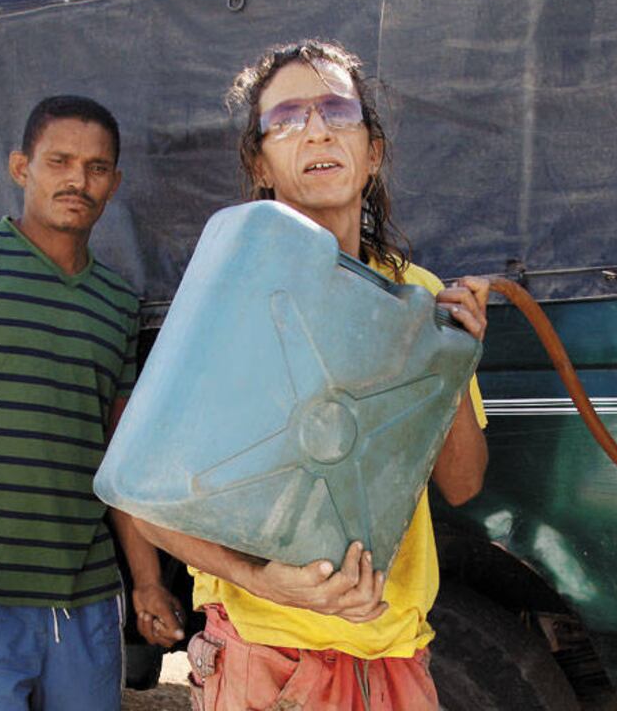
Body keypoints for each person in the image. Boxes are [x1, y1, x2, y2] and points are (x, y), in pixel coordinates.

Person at [129, 41, 490, 710]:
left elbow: (463, 485)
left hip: (395, 655)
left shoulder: (421, 298)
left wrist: (453, 360)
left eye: (337, 111)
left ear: (373, 153)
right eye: (287, 118)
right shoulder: (231, 290)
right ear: (259, 164)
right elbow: (145, 501)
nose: (318, 130)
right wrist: (268, 582)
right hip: (270, 661)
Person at [0, 95, 183, 710]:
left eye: (97, 167)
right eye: (60, 161)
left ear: (115, 183)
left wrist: (149, 583)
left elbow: (117, 459)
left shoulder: (117, 303)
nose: (78, 179)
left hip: (90, 603)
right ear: (21, 167)